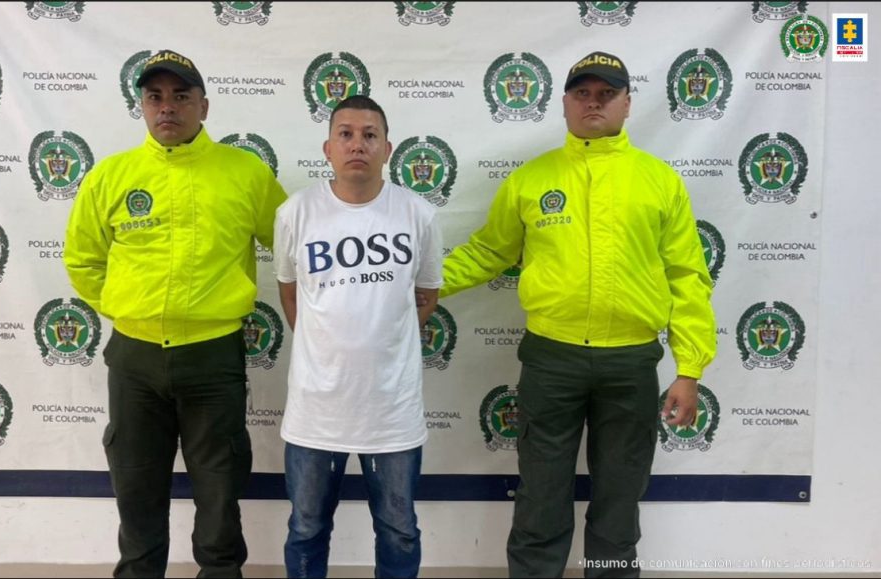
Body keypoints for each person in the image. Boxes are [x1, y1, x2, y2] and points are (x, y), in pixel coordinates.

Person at [439, 51, 716, 577]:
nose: (594, 103)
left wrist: (690, 367)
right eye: (583, 93)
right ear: (564, 102)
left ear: (628, 104)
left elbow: (687, 277)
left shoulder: (659, 181)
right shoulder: (531, 179)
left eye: (606, 94)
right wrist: (427, 286)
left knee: (619, 495)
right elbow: (489, 252)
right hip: (551, 360)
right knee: (541, 494)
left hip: (631, 363)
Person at [63, 49, 287, 578]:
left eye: (181, 97)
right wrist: (131, 309)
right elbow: (83, 259)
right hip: (135, 359)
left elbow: (292, 245)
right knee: (137, 493)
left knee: (219, 491)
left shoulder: (246, 174)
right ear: (141, 105)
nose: (168, 108)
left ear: (203, 107)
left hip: (213, 359)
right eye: (155, 97)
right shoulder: (111, 176)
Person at [273, 95, 444, 579]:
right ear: (327, 147)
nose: (357, 144)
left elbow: (426, 295)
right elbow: (291, 294)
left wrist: (384, 343)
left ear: (387, 148)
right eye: (345, 134)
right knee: (306, 528)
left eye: (369, 135)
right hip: (316, 407)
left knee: (398, 528)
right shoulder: (295, 213)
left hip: (392, 409)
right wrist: (326, 349)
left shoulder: (418, 214)